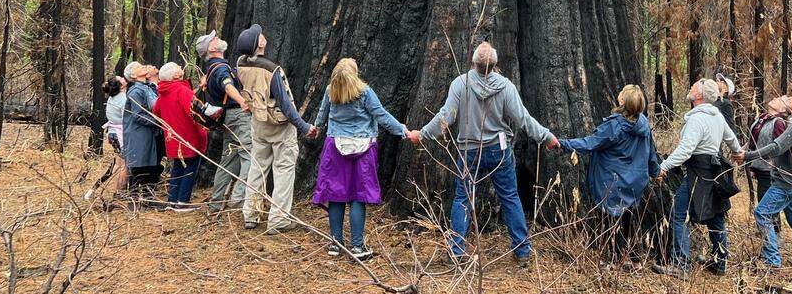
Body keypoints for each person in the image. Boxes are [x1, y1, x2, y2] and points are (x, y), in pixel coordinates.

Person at [407, 42, 559, 268]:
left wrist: (423, 135)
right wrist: (546, 137)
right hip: (500, 152)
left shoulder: (461, 84)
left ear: (474, 63)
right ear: (495, 65)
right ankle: (522, 251)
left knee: (463, 200)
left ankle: (457, 252)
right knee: (509, 197)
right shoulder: (506, 86)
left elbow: (445, 117)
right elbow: (523, 119)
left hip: (469, 152)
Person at [312, 58, 409, 260]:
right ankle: (357, 246)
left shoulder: (331, 90)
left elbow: (321, 116)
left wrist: (315, 128)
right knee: (358, 196)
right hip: (363, 150)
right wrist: (403, 131)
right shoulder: (364, 92)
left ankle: (336, 244)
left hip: (335, 148)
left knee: (336, 196)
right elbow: (381, 116)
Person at [558, 84, 660, 265]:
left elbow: (589, 143)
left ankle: (616, 259)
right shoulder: (644, 124)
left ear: (622, 100)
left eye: (621, 92)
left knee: (612, 220)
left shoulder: (614, 126)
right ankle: (628, 255)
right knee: (628, 216)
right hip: (635, 182)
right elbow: (651, 154)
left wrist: (563, 143)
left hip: (613, 183)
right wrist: (656, 172)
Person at [656, 78, 743, 276]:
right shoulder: (717, 116)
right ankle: (720, 264)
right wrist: (738, 153)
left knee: (678, 215)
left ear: (699, 96)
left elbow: (685, 151)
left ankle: (681, 265)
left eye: (694, 86)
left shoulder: (697, 119)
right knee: (716, 216)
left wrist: (664, 166)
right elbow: (731, 140)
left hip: (698, 174)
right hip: (715, 173)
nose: (691, 87)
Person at [236, 24, 317, 234]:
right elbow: (286, 104)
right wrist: (304, 126)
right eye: (259, 35)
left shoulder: (241, 64)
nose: (263, 36)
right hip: (278, 126)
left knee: (258, 167)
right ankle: (278, 219)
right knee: (283, 170)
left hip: (258, 122)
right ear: (260, 44)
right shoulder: (272, 70)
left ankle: (251, 214)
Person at [735, 90, 792, 269]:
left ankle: (772, 261)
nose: (787, 98)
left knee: (762, 214)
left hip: (786, 182)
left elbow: (775, 148)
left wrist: (748, 156)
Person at [196, 30, 253, 212]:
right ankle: (238, 198)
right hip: (238, 116)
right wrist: (243, 101)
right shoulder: (220, 68)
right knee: (250, 156)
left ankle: (216, 202)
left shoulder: (212, 68)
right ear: (212, 48)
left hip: (228, 119)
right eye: (215, 39)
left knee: (228, 160)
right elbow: (228, 86)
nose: (219, 39)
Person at [152, 62, 208, 210]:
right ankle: (182, 202)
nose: (180, 68)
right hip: (188, 135)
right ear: (176, 75)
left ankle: (172, 200)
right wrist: (205, 124)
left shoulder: (163, 92)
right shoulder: (181, 90)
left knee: (177, 167)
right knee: (189, 167)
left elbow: (156, 111)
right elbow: (194, 111)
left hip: (173, 137)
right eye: (178, 67)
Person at [121, 62, 163, 201]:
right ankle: (133, 199)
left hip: (148, 133)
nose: (144, 66)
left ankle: (147, 198)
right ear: (133, 75)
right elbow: (138, 115)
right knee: (138, 165)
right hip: (139, 134)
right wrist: (159, 122)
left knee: (148, 166)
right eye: (139, 66)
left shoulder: (146, 88)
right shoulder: (136, 91)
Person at [746, 96, 789, 226]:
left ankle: (775, 233)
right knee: (763, 200)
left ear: (782, 109)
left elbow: (779, 148)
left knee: (768, 204)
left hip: (769, 169)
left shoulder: (779, 123)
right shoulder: (763, 118)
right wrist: (741, 152)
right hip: (759, 167)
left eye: (779, 100)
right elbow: (754, 141)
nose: (775, 98)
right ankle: (766, 231)